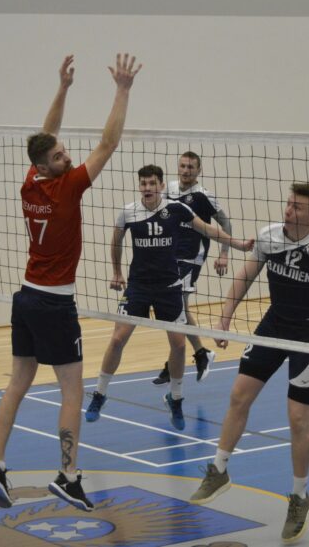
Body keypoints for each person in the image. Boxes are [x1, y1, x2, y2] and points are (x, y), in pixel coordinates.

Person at [0, 54, 141, 513]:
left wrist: (64, 88)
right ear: (47, 167)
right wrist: (122, 90)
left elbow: (45, 136)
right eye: (59, 157)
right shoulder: (67, 186)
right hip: (54, 305)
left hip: (26, 298)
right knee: (72, 390)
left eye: (64, 151)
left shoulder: (31, 182)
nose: (67, 156)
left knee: (19, 381)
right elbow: (108, 143)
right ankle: (68, 476)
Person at [189, 182, 309, 544]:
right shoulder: (269, 236)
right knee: (238, 396)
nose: (288, 210)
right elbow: (245, 275)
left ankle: (299, 496)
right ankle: (219, 469)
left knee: (297, 418)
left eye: (297, 207)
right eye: (289, 204)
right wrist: (224, 318)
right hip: (273, 325)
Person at [85, 164, 253, 430]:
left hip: (169, 287)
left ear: (162, 186)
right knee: (117, 339)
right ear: (139, 186)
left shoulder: (176, 209)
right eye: (143, 183)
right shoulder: (129, 212)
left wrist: (237, 245)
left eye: (152, 183)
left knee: (179, 345)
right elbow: (116, 241)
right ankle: (100, 394)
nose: (147, 188)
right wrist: (117, 272)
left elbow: (208, 229)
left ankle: (175, 398)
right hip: (139, 286)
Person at [150, 151, 233, 386]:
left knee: (177, 307)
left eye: (190, 167)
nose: (186, 171)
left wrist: (224, 254)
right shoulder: (169, 189)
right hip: (169, 256)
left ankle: (183, 359)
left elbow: (226, 223)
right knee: (175, 309)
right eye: (183, 166)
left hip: (191, 257)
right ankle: (196, 354)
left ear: (198, 170)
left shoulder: (204, 196)